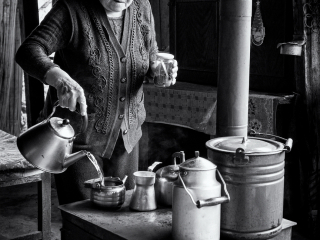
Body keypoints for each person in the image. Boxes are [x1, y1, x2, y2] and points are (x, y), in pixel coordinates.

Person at [15, 0, 178, 205]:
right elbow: (29, 51)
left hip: (126, 140)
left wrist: (156, 70)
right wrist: (61, 80)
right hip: (78, 139)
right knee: (83, 219)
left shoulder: (141, 6)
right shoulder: (71, 10)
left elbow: (149, 54)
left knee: (122, 217)